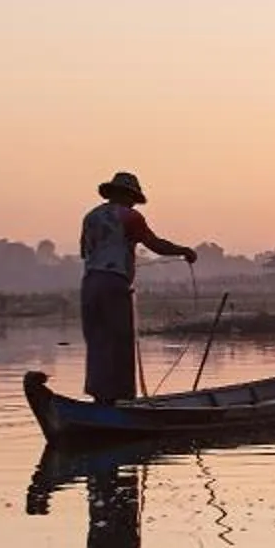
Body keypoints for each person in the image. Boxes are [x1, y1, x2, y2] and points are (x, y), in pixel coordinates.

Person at [78, 171, 195, 403]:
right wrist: (184, 251)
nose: (133, 202)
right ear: (127, 195)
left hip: (90, 284)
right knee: (120, 340)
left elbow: (84, 251)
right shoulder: (129, 217)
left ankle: (101, 399)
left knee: (98, 340)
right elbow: (155, 244)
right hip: (114, 283)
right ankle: (122, 400)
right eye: (132, 197)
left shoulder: (90, 217)